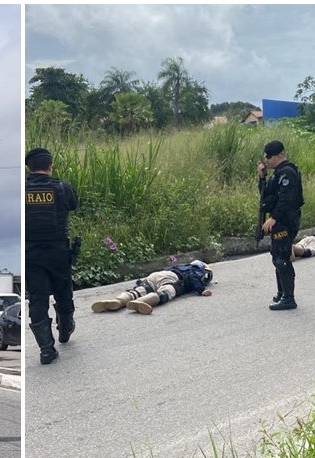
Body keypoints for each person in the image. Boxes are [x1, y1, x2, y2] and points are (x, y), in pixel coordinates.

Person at [25, 146, 79, 364]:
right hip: (58, 251)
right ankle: (65, 330)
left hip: (31, 255)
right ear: (50, 166)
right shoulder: (62, 188)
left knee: (38, 299)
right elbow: (74, 205)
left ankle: (46, 349)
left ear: (29, 168)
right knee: (63, 292)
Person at [258, 140, 304, 310]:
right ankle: (282, 293)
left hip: (285, 220)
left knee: (282, 257)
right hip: (280, 220)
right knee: (277, 255)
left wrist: (274, 218)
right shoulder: (277, 173)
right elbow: (266, 195)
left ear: (279, 155)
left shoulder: (287, 173)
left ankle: (289, 298)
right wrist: (262, 177)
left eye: (269, 156)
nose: (267, 160)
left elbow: (287, 199)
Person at [91, 260, 212, 314]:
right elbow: (192, 277)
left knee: (138, 290)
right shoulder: (194, 270)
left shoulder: (180, 266)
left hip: (156, 275)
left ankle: (117, 301)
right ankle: (139, 302)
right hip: (172, 278)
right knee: (165, 292)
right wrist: (202, 290)